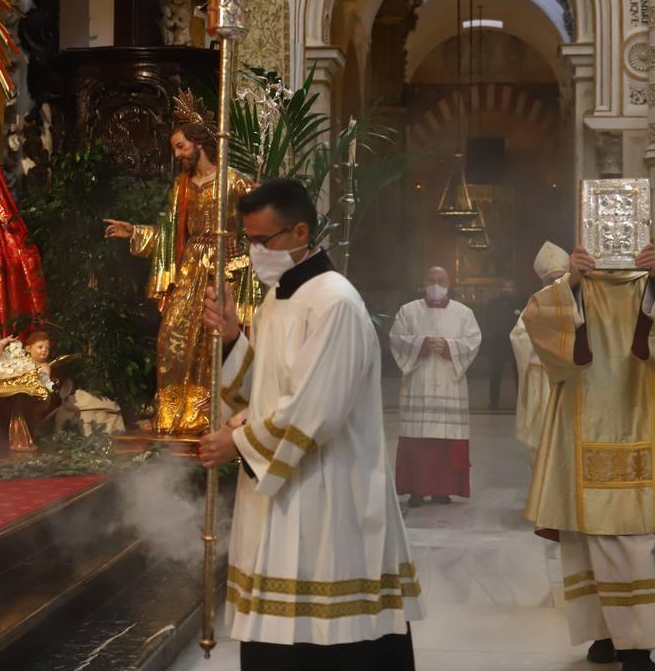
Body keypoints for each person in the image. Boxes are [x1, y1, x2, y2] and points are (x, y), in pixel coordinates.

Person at [199, 178, 422, 670]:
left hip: (329, 493)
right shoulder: (278, 298)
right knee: (280, 638)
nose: (255, 252)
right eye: (249, 241)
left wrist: (236, 441)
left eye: (264, 240)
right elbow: (265, 390)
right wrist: (236, 338)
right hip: (282, 488)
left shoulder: (335, 302)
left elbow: (315, 410)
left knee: (334, 639)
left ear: (301, 231)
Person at [522, 243, 655, 671]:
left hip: (640, 418)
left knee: (635, 531)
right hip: (583, 421)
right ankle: (607, 634)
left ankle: (636, 646)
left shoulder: (651, 282)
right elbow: (536, 321)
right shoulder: (576, 283)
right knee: (590, 531)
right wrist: (569, 281)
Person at [104, 95, 258, 434]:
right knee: (170, 339)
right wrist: (136, 232)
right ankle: (173, 414)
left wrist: (240, 256)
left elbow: (257, 229)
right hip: (189, 270)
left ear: (199, 142)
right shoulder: (182, 186)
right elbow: (173, 235)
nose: (177, 155)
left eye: (180, 146)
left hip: (224, 271)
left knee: (211, 342)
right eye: (175, 148)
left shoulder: (235, 182)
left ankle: (207, 415)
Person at [390, 266, 482, 506]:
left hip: (449, 381)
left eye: (441, 279)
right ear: (423, 283)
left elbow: (473, 341)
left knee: (446, 438)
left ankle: (443, 489)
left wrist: (450, 347)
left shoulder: (463, 313)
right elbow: (396, 339)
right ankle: (416, 489)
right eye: (431, 279)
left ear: (449, 283)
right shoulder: (408, 311)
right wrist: (421, 344)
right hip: (418, 381)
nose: (436, 284)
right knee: (417, 439)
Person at [511, 242, 570, 464]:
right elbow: (519, 337)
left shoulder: (580, 300)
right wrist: (545, 349)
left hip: (573, 380)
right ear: (542, 281)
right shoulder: (535, 304)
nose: (555, 284)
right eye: (550, 280)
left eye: (560, 278)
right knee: (544, 438)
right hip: (544, 379)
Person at [482, 280, 520, 409]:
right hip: (498, 343)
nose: (507, 290)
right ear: (500, 289)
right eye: (505, 287)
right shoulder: (493, 304)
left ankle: (521, 403)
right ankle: (493, 403)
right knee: (495, 374)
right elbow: (487, 320)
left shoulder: (520, 303)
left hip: (516, 343)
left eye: (510, 287)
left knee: (519, 375)